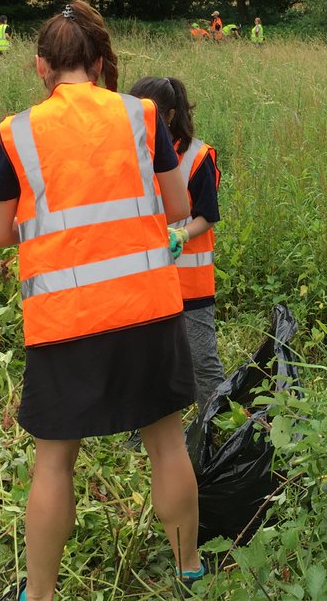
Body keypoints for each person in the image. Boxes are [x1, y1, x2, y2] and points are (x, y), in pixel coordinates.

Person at [0, 0, 203, 601]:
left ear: (39, 67)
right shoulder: (143, 115)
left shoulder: (17, 132)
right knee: (166, 441)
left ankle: (41, 594)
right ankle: (188, 572)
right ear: (102, 62)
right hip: (147, 309)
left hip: (65, 320)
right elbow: (179, 209)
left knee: (54, 463)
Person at [129, 75, 225, 410]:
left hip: (190, 283)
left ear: (169, 116)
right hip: (147, 281)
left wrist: (182, 233)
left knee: (201, 362)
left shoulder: (198, 157)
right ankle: (138, 437)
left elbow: (208, 215)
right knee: (146, 363)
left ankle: (216, 431)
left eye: (149, 113)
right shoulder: (132, 153)